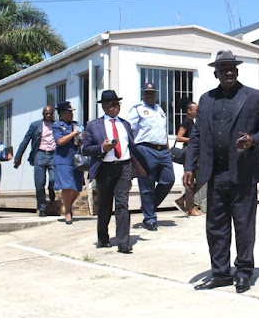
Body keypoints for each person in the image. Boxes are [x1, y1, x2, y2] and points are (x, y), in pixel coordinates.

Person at [184, 49, 259, 294]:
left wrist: (254, 140)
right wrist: (190, 166)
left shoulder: (254, 97)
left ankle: (244, 272)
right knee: (216, 227)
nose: (229, 71)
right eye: (223, 68)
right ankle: (221, 273)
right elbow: (196, 136)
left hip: (243, 173)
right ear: (216, 72)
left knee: (244, 225)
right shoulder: (206, 100)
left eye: (232, 67)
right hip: (215, 173)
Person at [82, 90, 148, 254]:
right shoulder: (94, 125)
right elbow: (85, 149)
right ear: (104, 107)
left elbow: (131, 146)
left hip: (123, 167)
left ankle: (123, 242)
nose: (115, 107)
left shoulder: (124, 124)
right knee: (105, 205)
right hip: (105, 168)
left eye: (117, 104)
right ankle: (103, 237)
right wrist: (101, 148)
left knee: (122, 204)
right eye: (112, 104)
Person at [128, 82, 175, 231]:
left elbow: (162, 131)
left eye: (152, 92)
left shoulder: (160, 109)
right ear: (142, 94)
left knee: (169, 179)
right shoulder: (138, 110)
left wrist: (168, 148)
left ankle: (149, 206)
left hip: (162, 150)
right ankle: (150, 218)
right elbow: (129, 130)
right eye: (147, 93)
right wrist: (132, 151)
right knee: (147, 186)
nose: (150, 95)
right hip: (145, 149)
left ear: (156, 94)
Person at [14, 106, 56, 217]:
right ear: (43, 114)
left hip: (53, 155)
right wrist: (18, 157)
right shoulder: (35, 125)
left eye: (50, 113)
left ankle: (51, 188)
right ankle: (42, 208)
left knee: (53, 179)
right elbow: (25, 140)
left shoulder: (56, 125)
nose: (48, 115)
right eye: (46, 113)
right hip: (40, 154)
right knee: (39, 183)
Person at [52, 101, 84, 225]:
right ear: (62, 114)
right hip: (63, 159)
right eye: (69, 112)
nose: (71, 114)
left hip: (77, 159)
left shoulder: (77, 125)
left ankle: (68, 206)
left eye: (72, 112)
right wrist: (73, 134)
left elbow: (82, 139)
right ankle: (68, 212)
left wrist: (81, 137)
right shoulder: (57, 126)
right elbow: (60, 141)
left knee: (77, 187)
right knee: (67, 186)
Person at [173, 101, 204, 217]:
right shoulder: (187, 121)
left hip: (196, 152)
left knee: (201, 178)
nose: (197, 111)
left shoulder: (194, 122)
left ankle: (182, 200)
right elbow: (179, 137)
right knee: (190, 180)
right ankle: (190, 209)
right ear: (189, 111)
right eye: (195, 110)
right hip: (188, 152)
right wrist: (193, 139)